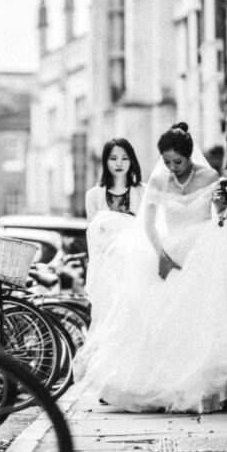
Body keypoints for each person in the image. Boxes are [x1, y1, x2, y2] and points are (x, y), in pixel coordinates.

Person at [74, 122, 227, 413]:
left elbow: (218, 212)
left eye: (177, 162)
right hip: (172, 250)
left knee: (215, 314)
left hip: (206, 246)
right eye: (167, 162)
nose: (172, 167)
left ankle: (223, 384)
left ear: (189, 157)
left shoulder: (210, 176)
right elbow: (149, 223)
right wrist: (161, 255)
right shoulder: (159, 180)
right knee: (170, 320)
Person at [82, 138, 143, 326]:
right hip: (106, 271)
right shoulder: (93, 196)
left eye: (124, 158)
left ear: (131, 161)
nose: (119, 164)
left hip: (136, 267)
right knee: (106, 322)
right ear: (105, 161)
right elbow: (93, 237)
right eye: (113, 158)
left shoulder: (144, 192)